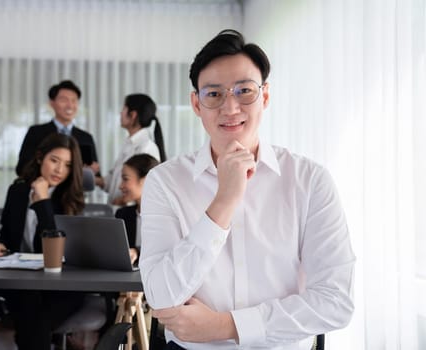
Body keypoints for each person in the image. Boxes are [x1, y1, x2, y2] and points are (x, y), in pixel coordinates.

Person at [139, 29, 355, 350]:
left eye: (244, 91)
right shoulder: (164, 181)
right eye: (214, 94)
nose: (230, 107)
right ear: (196, 104)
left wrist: (224, 326)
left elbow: (336, 301)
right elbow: (159, 295)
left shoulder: (309, 179)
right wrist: (224, 201)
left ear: (265, 97)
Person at [0, 133, 85, 350]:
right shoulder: (18, 190)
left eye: (67, 165)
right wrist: (0, 244)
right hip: (23, 281)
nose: (59, 170)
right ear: (40, 157)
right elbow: (7, 235)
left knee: (34, 323)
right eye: (54, 160)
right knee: (33, 319)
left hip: (61, 285)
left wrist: (42, 201)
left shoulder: (70, 198)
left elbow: (54, 249)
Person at [16, 79, 101, 178]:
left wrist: (91, 171)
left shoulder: (86, 137)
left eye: (74, 100)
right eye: (64, 100)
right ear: (52, 103)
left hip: (73, 192)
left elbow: (95, 176)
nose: (70, 105)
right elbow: (22, 168)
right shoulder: (36, 132)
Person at [97, 93, 166, 205]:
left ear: (133, 115)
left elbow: (145, 189)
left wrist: (121, 200)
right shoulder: (128, 143)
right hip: (118, 212)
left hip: (130, 215)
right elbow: (113, 182)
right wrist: (92, 178)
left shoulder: (147, 147)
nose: (120, 113)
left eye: (124, 108)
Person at [115, 153, 159, 264]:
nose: (120, 186)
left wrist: (137, 252)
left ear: (146, 180)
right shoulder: (122, 215)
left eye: (125, 179)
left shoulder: (166, 217)